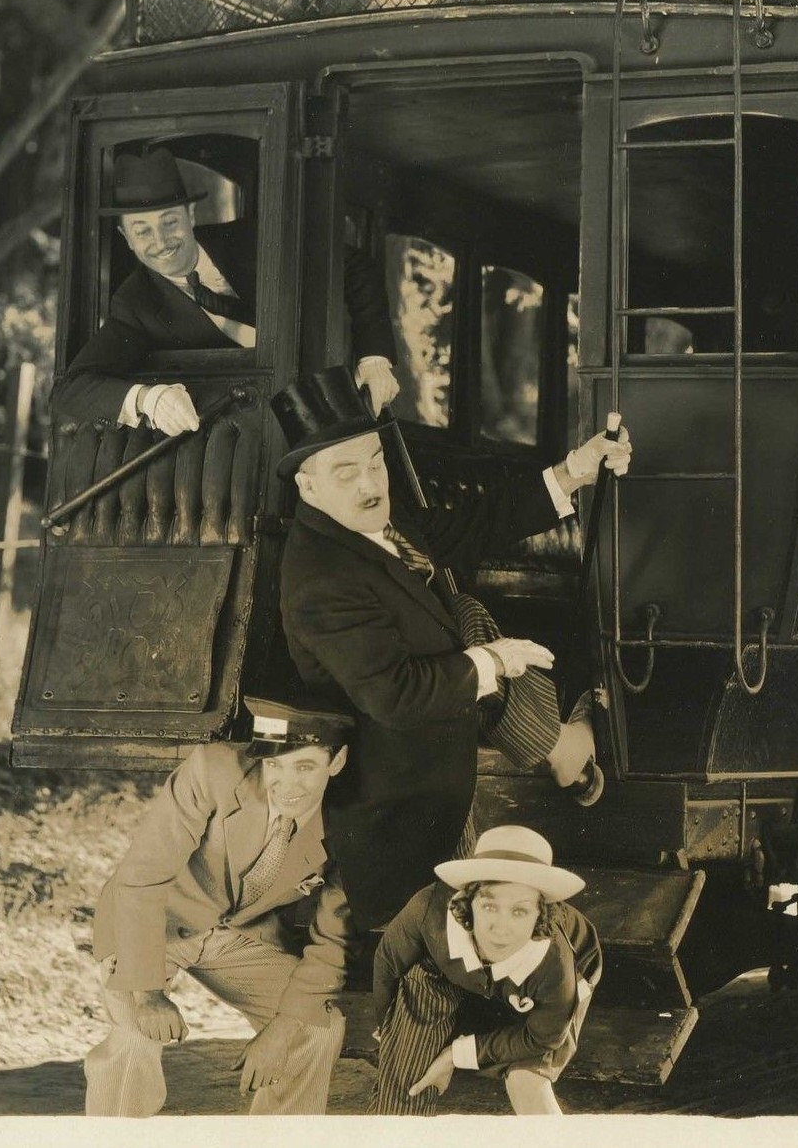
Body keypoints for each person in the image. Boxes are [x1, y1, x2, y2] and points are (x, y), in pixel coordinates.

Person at [270, 365, 632, 932]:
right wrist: (493, 661)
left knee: (467, 613)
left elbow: (469, 527)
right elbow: (397, 696)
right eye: (347, 473)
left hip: (445, 765)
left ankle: (561, 746)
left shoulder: (375, 522)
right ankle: (562, 747)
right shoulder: (322, 579)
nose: (370, 484)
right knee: (430, 964)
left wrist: (572, 473)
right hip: (396, 809)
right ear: (308, 487)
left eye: (375, 463)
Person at [84, 698, 355, 1117]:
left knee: (317, 1028)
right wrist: (148, 993)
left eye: (305, 767)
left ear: (336, 762)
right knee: (136, 1036)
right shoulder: (213, 770)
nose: (286, 784)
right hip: (155, 920)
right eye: (275, 766)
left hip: (238, 936)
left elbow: (333, 941)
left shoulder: (352, 821)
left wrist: (282, 1029)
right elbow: (142, 878)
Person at [54, 144, 400, 434]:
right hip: (258, 434)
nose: (159, 242)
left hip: (334, 405)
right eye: (142, 230)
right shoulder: (135, 304)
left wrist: (375, 358)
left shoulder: (250, 239)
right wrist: (149, 399)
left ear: (190, 215)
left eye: (170, 221)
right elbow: (71, 390)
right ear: (125, 239)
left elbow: (353, 267)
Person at [370, 824, 602, 1115]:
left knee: (525, 1080)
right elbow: (388, 964)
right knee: (417, 984)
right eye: (490, 906)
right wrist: (388, 1027)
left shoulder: (554, 961)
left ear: (540, 915)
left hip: (542, 996)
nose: (501, 929)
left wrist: (456, 1055)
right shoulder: (428, 911)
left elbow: (543, 1037)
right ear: (468, 902)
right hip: (471, 980)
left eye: (519, 911)